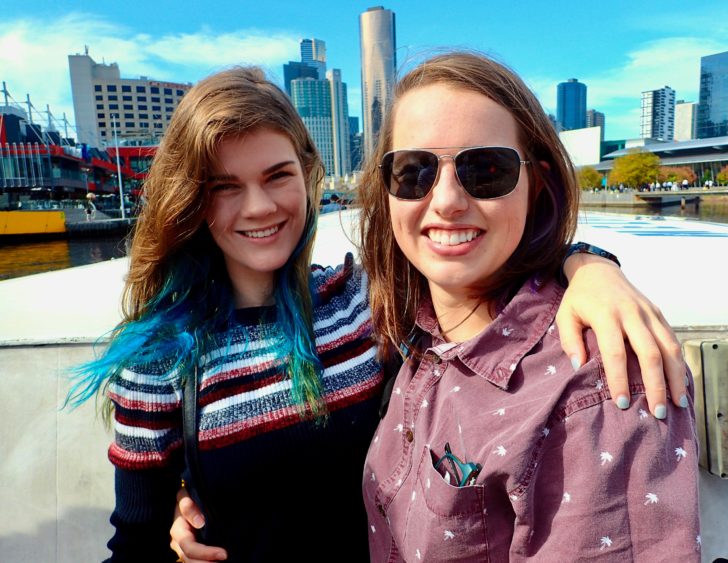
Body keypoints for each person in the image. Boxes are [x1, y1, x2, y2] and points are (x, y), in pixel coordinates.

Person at [72, 66, 687, 563]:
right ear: (193, 199)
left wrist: (591, 265)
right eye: (223, 186)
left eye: (277, 175)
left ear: (310, 176)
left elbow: (474, 259)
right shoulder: (157, 359)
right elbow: (136, 540)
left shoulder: (363, 302)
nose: (257, 206)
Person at [359, 52, 699, 561]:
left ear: (536, 183)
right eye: (413, 172)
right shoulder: (408, 329)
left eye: (486, 169)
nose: (447, 200)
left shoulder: (595, 381)